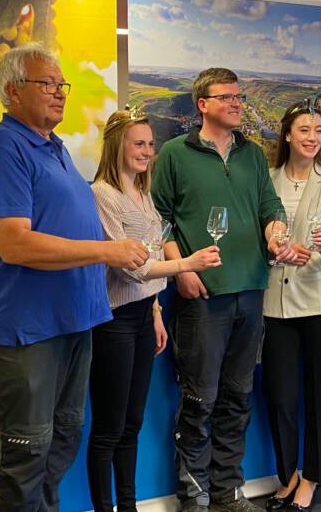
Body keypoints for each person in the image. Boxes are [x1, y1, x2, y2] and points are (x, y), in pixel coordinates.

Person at [0, 43, 148, 511]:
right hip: (31, 329)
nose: (59, 92)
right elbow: (15, 244)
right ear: (12, 91)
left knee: (61, 443)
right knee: (25, 453)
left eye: (61, 84)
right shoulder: (1, 147)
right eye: (46, 83)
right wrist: (108, 251)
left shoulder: (55, 148)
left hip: (74, 322)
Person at [152, 67, 292, 512]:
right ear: (203, 104)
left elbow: (270, 206)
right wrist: (180, 270)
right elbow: (159, 218)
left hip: (250, 291)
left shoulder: (253, 155)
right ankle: (193, 498)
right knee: (199, 400)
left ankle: (227, 492)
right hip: (203, 297)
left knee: (237, 398)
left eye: (239, 97)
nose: (236, 104)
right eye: (227, 97)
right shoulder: (174, 153)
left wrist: (276, 233)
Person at [87, 109, 221, 512]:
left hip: (144, 317)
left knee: (132, 424)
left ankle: (127, 507)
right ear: (117, 146)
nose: (147, 151)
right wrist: (186, 264)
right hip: (113, 322)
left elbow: (152, 258)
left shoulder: (143, 193)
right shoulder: (102, 195)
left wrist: (157, 313)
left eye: (150, 144)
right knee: (109, 429)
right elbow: (132, 269)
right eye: (139, 144)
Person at [261, 99, 321, 512]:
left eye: (318, 130)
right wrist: (274, 251)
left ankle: (312, 478)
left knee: (319, 396)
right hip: (275, 305)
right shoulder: (267, 179)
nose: (313, 138)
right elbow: (258, 241)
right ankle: (288, 475)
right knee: (281, 397)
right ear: (287, 134)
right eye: (304, 130)